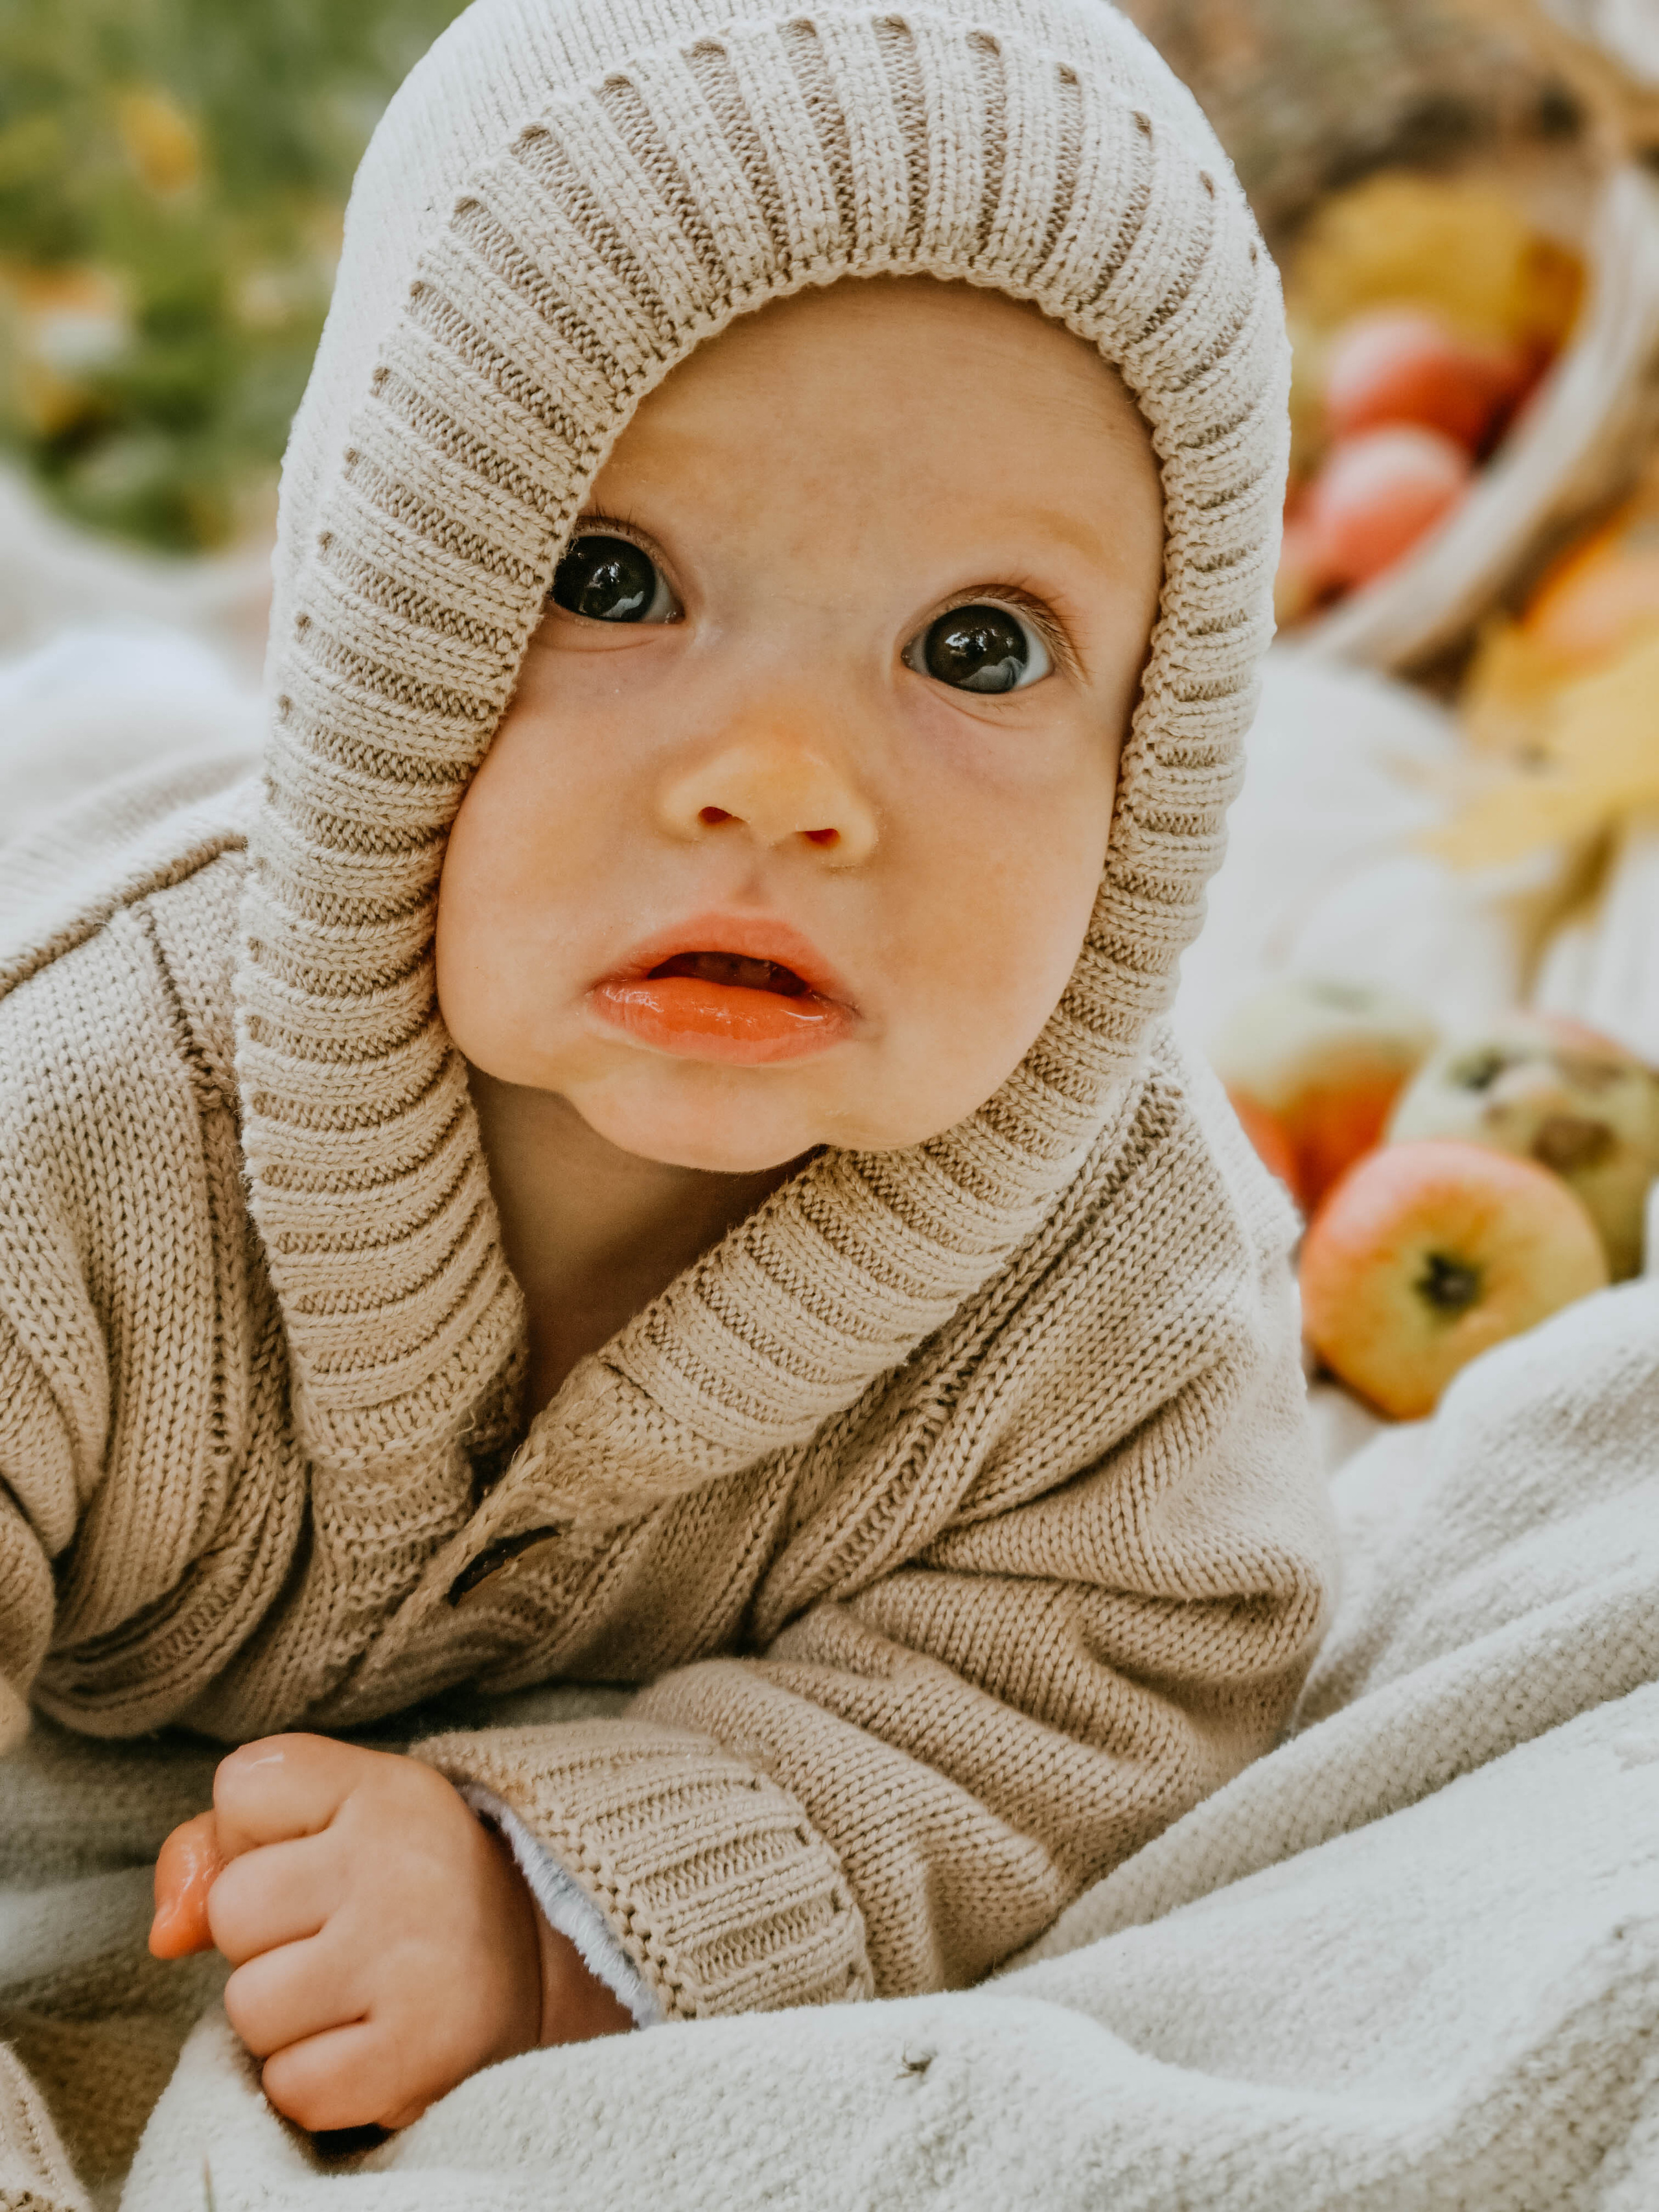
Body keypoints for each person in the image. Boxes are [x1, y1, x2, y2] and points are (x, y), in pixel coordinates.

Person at [0, 0, 1338, 2152]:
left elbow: (1123, 1666)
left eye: (980, 645)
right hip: (77, 831)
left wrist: (551, 1901)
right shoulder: (67, 1129)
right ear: (384, 632)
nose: (785, 787)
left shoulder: (1123, 1272)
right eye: (609, 585)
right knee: (71, 719)